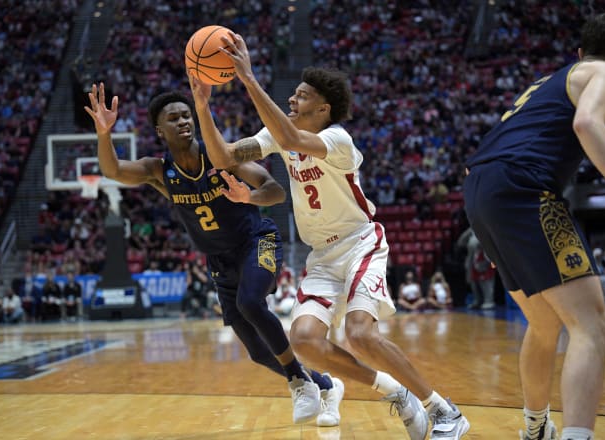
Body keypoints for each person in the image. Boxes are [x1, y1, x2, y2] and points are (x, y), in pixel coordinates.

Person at [189, 32, 469, 439]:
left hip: (360, 243)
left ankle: (443, 410)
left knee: (360, 332)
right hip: (321, 254)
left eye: (300, 96)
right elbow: (222, 157)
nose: (292, 100)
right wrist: (202, 107)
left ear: (323, 108)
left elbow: (289, 137)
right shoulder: (278, 136)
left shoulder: (338, 139)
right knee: (304, 340)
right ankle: (394, 392)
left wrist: (249, 79)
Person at [84, 83, 343, 426]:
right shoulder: (160, 171)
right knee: (256, 350)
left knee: (250, 303)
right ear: (160, 130)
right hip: (220, 261)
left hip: (258, 241)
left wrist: (247, 198)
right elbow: (113, 170)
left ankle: (298, 381)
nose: (182, 122)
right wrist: (104, 133)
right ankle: (324, 385)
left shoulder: (222, 156)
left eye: (186, 115)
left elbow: (275, 190)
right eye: (173, 118)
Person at [463, 12, 605, 440]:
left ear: (578, 52)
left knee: (545, 324)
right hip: (523, 188)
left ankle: (536, 429)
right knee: (593, 327)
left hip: (480, 187)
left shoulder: (558, 77)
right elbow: (587, 123)